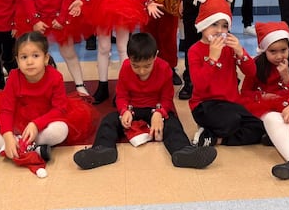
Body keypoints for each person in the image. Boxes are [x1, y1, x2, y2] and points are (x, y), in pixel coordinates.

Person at [73, 33, 217, 170]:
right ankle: (103, 149)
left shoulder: (164, 68)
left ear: (155, 55)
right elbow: (121, 95)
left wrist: (159, 113)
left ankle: (183, 151)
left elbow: (167, 98)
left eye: (147, 66)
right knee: (108, 120)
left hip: (156, 109)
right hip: (133, 109)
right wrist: (124, 111)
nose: (142, 71)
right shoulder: (125, 68)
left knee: (173, 124)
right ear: (129, 58)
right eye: (136, 66)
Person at [0, 32, 94, 178]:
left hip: (44, 123)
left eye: (35, 56)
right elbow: (6, 111)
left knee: (60, 130)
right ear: (17, 60)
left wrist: (36, 124)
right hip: (18, 122)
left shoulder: (55, 77)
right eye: (24, 57)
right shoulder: (13, 77)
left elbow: (59, 109)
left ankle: (10, 147)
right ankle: (23, 146)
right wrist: (7, 135)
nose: (29, 62)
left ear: (46, 58)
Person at [188, 0, 266, 148]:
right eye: (214, 24)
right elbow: (200, 86)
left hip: (231, 104)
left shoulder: (229, 47)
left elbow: (251, 72)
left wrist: (240, 52)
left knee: (259, 128)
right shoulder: (194, 50)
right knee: (232, 121)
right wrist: (212, 59)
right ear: (203, 24)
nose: (219, 30)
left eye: (224, 26)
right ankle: (212, 129)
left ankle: (215, 138)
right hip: (204, 105)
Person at [239, 22, 289, 180]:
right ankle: (284, 146)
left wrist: (286, 78)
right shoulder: (256, 64)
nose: (279, 56)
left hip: (286, 102)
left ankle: (283, 142)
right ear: (264, 50)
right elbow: (245, 93)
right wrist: (261, 96)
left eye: (283, 50)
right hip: (263, 105)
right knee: (267, 119)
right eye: (273, 51)